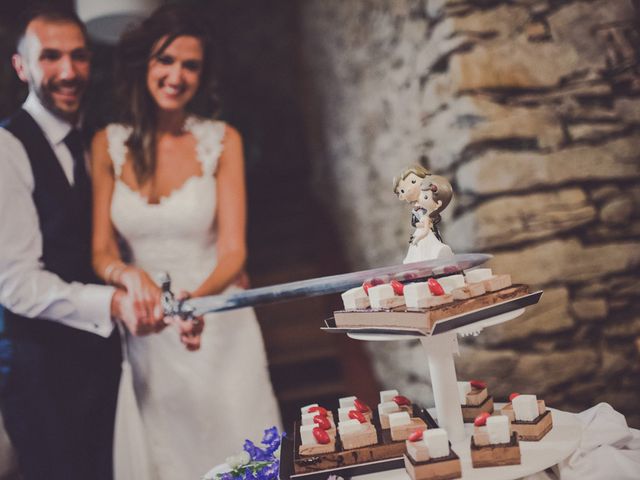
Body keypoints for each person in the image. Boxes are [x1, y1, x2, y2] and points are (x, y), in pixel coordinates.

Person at [91, 5, 280, 478]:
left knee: (239, 454)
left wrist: (193, 305)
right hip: (148, 328)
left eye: (190, 65)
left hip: (219, 322)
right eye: (166, 60)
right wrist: (128, 276)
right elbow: (100, 250)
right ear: (144, 65)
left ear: (202, 75)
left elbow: (235, 249)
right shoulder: (106, 144)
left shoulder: (222, 140)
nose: (177, 75)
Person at [0, 6, 167, 479]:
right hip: (40, 378)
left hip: (103, 365)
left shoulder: (95, 142)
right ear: (22, 66)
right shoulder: (6, 149)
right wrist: (115, 303)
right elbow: (15, 285)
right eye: (50, 57)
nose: (69, 72)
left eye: (79, 57)